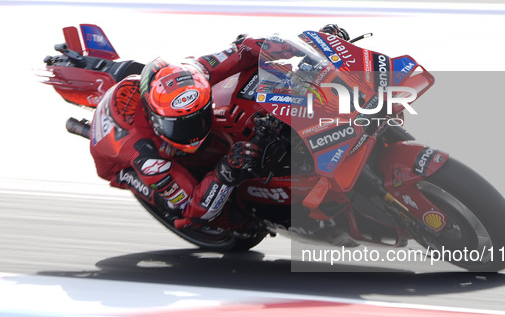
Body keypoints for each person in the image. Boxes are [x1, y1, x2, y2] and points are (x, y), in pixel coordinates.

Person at [89, 24, 349, 234]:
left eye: (198, 116)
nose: (195, 129)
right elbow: (192, 207)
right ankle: (236, 219)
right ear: (157, 119)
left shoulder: (196, 72)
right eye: (182, 125)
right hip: (120, 163)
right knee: (215, 217)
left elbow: (244, 49)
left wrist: (292, 46)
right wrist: (225, 171)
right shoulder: (145, 157)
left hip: (143, 102)